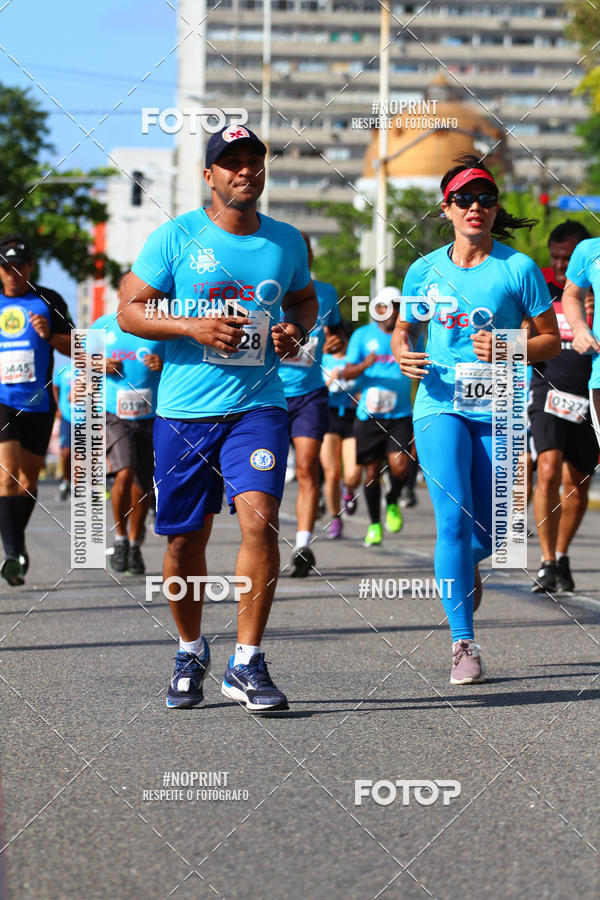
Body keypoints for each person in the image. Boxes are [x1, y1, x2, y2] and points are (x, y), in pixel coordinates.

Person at [118, 123, 317, 711]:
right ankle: (189, 647)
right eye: (231, 163)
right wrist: (192, 325)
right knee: (185, 542)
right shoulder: (176, 237)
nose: (245, 171)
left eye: (254, 160)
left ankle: (248, 662)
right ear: (210, 176)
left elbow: (303, 298)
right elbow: (129, 310)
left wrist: (295, 329)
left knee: (259, 522)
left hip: (259, 405)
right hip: (184, 412)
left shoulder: (286, 242)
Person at [393, 155, 560, 684]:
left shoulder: (518, 269)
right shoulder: (424, 270)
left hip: (502, 409)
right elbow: (405, 330)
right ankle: (463, 643)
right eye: (465, 199)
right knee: (451, 520)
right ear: (447, 208)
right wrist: (402, 351)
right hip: (439, 404)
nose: (476, 208)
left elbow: (551, 340)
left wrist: (510, 346)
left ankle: (463, 565)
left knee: (499, 536)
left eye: (486, 199)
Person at [0, 234, 73, 585]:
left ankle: (18, 539)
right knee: (6, 475)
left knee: (28, 481)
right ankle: (12, 554)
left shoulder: (49, 300)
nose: (14, 273)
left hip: (39, 403)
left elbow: (77, 346)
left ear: (30, 266)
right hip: (2, 402)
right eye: (6, 267)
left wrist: (50, 336)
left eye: (20, 266)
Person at [529, 221, 598, 593]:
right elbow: (521, 332)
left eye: (568, 258)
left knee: (577, 483)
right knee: (548, 467)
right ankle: (546, 561)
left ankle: (562, 553)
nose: (559, 265)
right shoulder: (542, 289)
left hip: (589, 395)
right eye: (555, 257)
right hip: (547, 390)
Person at [278, 234, 345, 574]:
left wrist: (336, 340)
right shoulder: (265, 290)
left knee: (306, 467)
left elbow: (338, 335)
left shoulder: (327, 294)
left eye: (305, 254)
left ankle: (303, 545)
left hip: (310, 393)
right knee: (269, 474)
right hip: (268, 395)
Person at [91, 286, 164, 576]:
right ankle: (120, 539)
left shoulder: (161, 325)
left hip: (151, 413)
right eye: (128, 290)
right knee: (124, 471)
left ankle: (134, 544)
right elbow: (81, 361)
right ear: (120, 293)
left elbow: (181, 362)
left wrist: (164, 365)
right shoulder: (101, 325)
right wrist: (99, 363)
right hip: (114, 412)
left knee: (142, 483)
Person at [342, 287, 414, 547]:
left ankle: (393, 499)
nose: (390, 312)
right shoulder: (362, 335)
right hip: (369, 415)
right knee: (371, 472)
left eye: (396, 306)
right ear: (376, 308)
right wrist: (365, 365)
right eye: (385, 306)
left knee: (400, 465)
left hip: (400, 413)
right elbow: (346, 373)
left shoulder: (409, 335)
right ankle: (374, 524)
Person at [320, 320, 362, 538]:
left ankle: (351, 490)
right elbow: (314, 391)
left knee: (353, 473)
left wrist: (362, 395)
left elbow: (366, 383)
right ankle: (335, 519)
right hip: (328, 417)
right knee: (332, 473)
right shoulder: (322, 359)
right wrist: (330, 381)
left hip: (352, 418)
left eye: (340, 337)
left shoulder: (355, 361)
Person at [52, 359, 73, 500]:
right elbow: (55, 387)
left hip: (89, 416)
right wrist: (58, 408)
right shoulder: (63, 369)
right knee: (66, 452)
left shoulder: (94, 365)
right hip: (68, 416)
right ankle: (66, 481)